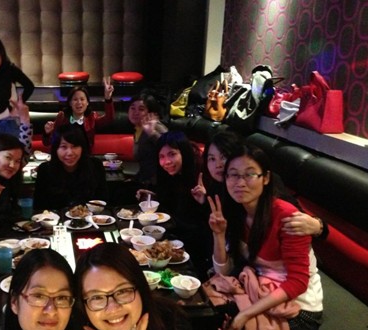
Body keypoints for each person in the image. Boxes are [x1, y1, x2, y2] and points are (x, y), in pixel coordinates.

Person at [207, 143, 323, 330]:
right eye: (233, 175)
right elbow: (224, 270)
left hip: (300, 309)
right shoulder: (235, 212)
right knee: (216, 317)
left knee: (237, 329)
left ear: (266, 178)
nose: (240, 182)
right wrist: (219, 235)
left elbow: (298, 282)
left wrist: (246, 314)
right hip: (261, 292)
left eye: (250, 174)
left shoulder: (287, 216)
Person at [191, 131, 329, 240]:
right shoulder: (217, 186)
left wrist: (318, 226)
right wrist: (204, 201)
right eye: (212, 159)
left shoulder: (261, 182)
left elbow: (299, 220)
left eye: (224, 156)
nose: (218, 165)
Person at [137, 131, 209, 272]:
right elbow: (172, 205)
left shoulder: (201, 175)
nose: (167, 162)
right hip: (174, 238)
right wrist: (154, 197)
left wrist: (204, 200)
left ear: (184, 152)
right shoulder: (170, 176)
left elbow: (202, 220)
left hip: (196, 249)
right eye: (162, 157)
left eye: (172, 154)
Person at [34, 125, 108, 210]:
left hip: (91, 217)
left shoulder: (95, 166)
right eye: (63, 147)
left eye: (75, 146)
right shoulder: (45, 170)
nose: (70, 153)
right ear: (55, 149)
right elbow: (39, 207)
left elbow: (103, 202)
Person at [43, 78, 114, 147]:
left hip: (85, 153)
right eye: (75, 99)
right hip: (66, 153)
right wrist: (47, 133)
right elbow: (48, 143)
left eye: (82, 99)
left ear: (87, 102)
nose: (79, 102)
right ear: (70, 103)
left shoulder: (91, 117)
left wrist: (108, 98)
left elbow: (109, 118)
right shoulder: (62, 117)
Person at [128, 90, 168, 186]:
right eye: (132, 108)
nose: (135, 112)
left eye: (141, 109)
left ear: (151, 113)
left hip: (159, 184)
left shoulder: (156, 127)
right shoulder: (138, 128)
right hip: (145, 180)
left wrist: (152, 133)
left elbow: (171, 147)